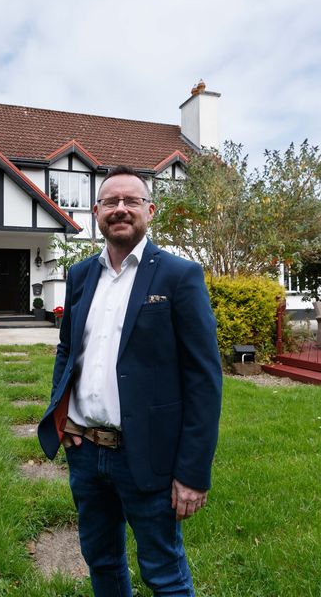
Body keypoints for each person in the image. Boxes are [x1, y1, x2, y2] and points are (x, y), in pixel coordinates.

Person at [37, 165, 223, 596]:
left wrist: (193, 472)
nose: (121, 209)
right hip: (85, 453)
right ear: (96, 211)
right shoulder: (81, 275)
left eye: (131, 201)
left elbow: (204, 377)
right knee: (101, 562)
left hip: (148, 453)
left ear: (150, 211)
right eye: (111, 202)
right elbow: (67, 350)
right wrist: (62, 417)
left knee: (163, 571)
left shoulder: (179, 276)